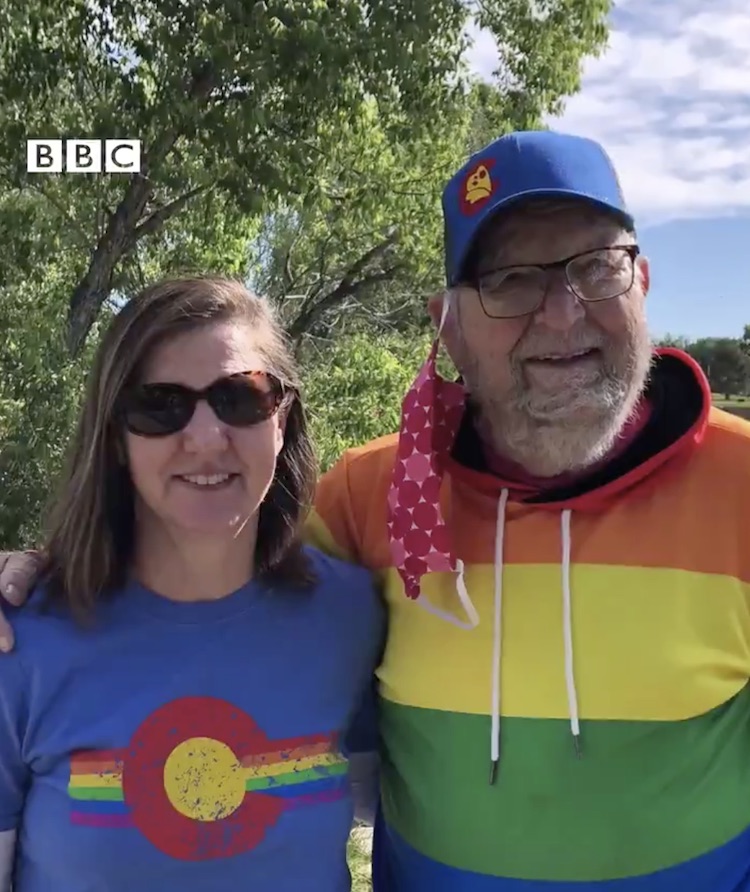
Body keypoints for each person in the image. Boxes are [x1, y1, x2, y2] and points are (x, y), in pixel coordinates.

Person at [3, 130, 750, 890]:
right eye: (513, 280)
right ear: (447, 325)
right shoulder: (375, 498)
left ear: (644, 281)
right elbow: (207, 552)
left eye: (596, 267)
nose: (562, 314)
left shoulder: (743, 485)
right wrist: (33, 574)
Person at [0, 276, 383, 891]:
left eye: (241, 398)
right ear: (117, 440)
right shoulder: (18, 642)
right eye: (160, 405)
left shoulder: (351, 614)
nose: (206, 438)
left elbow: (392, 800)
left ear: (282, 420)